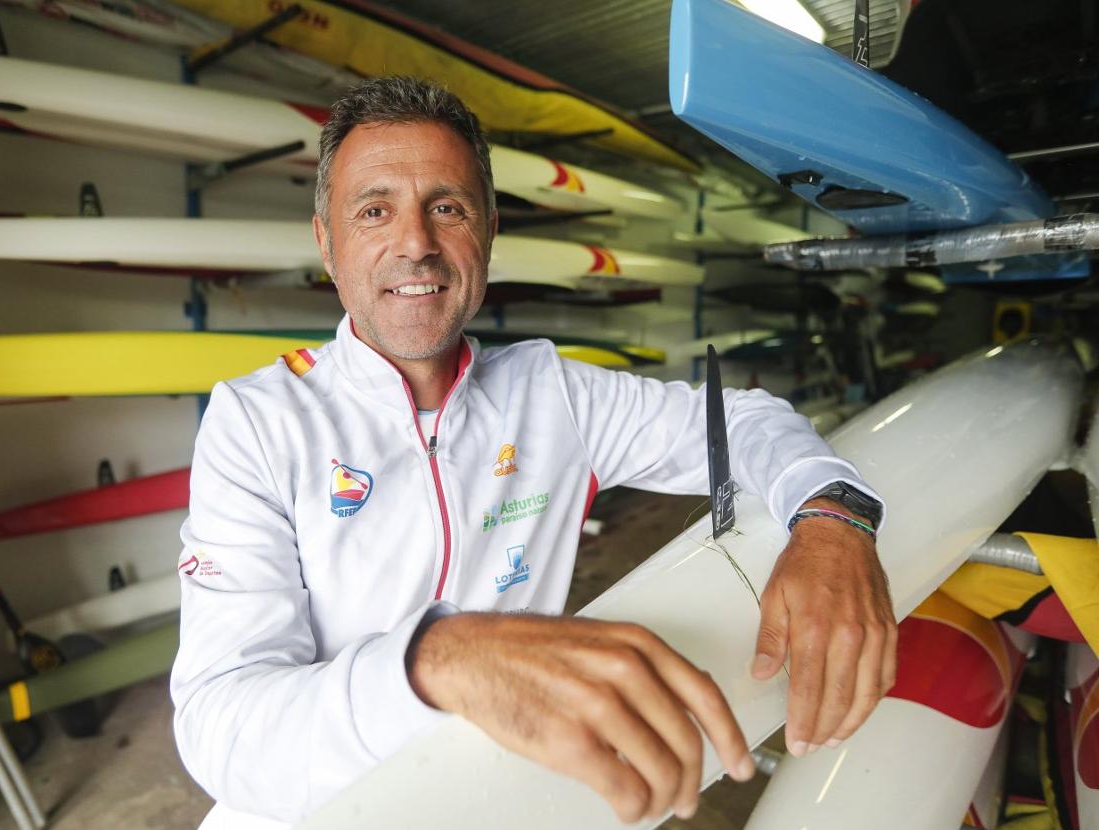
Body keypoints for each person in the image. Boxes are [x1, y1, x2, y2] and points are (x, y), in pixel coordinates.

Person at [170, 76, 895, 830]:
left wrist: (832, 516)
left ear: (486, 231)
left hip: (506, 803)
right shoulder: (257, 420)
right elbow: (221, 726)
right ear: (327, 241)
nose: (415, 243)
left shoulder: (553, 395)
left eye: (445, 208)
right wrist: (439, 660)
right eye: (374, 211)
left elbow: (739, 423)